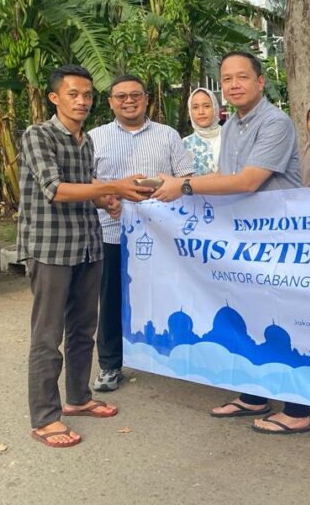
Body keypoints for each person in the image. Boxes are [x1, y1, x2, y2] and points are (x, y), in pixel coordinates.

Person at [153, 51, 310, 434]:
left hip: (278, 239)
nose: (234, 85)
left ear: (261, 82)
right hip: (244, 238)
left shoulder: (275, 122)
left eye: (242, 77)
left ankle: (297, 409)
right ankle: (255, 395)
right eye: (226, 79)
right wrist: (170, 189)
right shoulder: (235, 125)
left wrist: (184, 186)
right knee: (251, 315)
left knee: (282, 319)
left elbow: (247, 181)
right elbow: (226, 175)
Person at [18, 64, 152, 448]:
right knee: (47, 336)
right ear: (54, 97)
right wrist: (115, 187)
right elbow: (55, 189)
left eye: (87, 95)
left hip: (88, 244)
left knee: (82, 330)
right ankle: (45, 417)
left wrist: (105, 199)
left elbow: (83, 189)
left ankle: (77, 398)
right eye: (73, 94)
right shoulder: (38, 135)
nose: (81, 101)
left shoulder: (85, 140)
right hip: (49, 248)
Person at [89, 75, 195, 392]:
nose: (129, 100)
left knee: (167, 297)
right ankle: (110, 365)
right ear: (110, 102)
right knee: (111, 301)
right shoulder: (95, 138)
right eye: (121, 96)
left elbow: (187, 178)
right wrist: (106, 197)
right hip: (112, 233)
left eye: (136, 94)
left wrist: (167, 192)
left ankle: (171, 359)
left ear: (146, 98)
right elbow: (87, 182)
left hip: (162, 237)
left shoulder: (168, 136)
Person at [183, 87, 222, 174]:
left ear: (215, 108)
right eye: (195, 107)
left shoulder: (230, 136)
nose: (201, 112)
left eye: (206, 106)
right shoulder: (184, 145)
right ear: (190, 111)